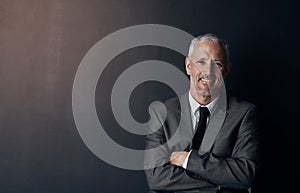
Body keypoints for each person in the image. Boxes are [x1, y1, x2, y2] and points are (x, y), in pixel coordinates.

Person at [144, 33, 261, 193]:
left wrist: (187, 159)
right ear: (188, 66)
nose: (208, 71)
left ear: (226, 70)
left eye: (217, 64)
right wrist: (221, 184)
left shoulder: (244, 114)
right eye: (201, 62)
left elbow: (244, 174)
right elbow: (156, 177)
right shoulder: (161, 113)